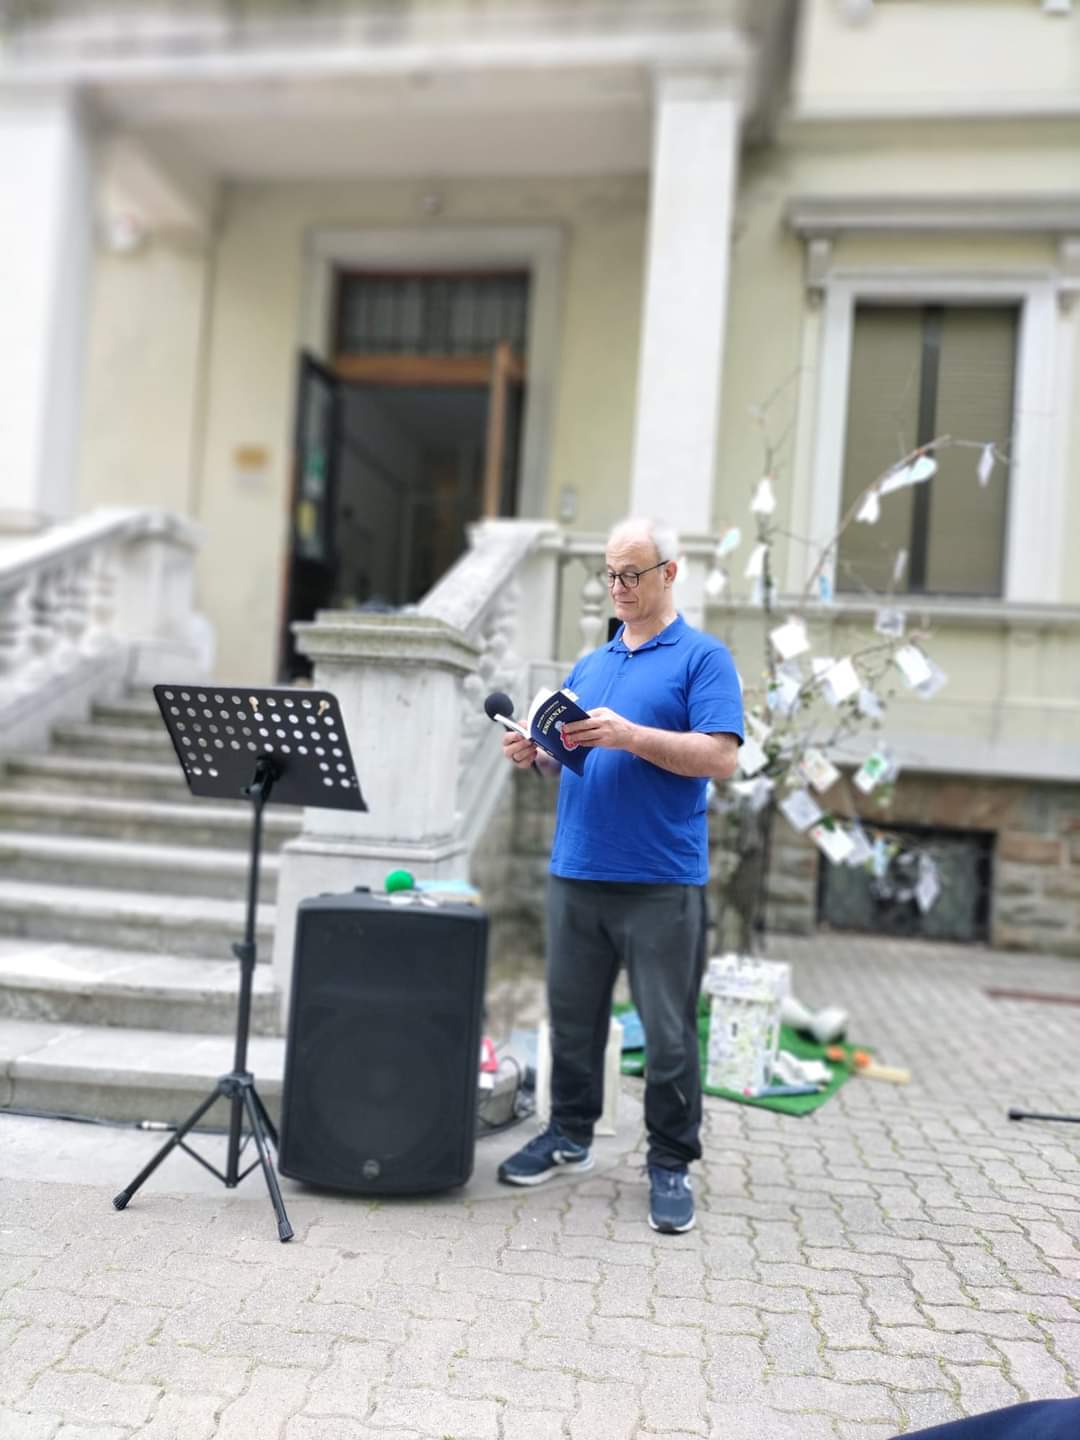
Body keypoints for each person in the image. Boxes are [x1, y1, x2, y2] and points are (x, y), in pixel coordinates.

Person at [497, 516, 744, 1233]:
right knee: (573, 1023)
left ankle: (669, 1160)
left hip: (661, 880)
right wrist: (536, 755)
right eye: (609, 574)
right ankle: (568, 1134)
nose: (618, 587)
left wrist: (631, 735)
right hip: (577, 870)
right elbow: (566, 759)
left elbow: (721, 756)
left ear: (670, 573)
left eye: (631, 574)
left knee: (668, 1034)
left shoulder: (703, 657)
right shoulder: (590, 664)